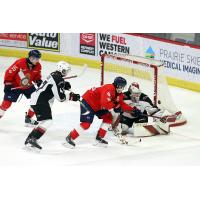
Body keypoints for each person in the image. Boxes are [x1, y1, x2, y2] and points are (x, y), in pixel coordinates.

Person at [65, 77, 142, 148]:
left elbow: (121, 104)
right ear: (115, 85)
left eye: (123, 87)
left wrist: (132, 110)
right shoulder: (109, 88)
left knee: (108, 118)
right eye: (119, 86)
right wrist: (115, 107)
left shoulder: (119, 94)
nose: (121, 88)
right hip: (88, 102)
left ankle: (99, 138)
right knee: (86, 124)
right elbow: (104, 102)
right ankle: (69, 138)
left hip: (98, 106)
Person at [24, 61, 80, 149]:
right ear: (62, 70)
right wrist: (72, 97)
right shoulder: (58, 79)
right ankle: (32, 138)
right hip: (40, 100)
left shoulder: (54, 74)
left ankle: (29, 139)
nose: (67, 73)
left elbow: (52, 85)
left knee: (44, 122)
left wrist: (63, 85)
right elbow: (60, 98)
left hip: (38, 98)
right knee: (47, 121)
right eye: (66, 71)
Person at [0, 50, 43, 126]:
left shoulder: (38, 66)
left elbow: (37, 76)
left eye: (37, 59)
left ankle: (28, 118)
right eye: (34, 58)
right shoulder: (20, 62)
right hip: (15, 86)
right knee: (6, 103)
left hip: (28, 86)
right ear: (30, 57)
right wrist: (7, 84)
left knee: (37, 99)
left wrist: (38, 80)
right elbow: (9, 72)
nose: (36, 60)